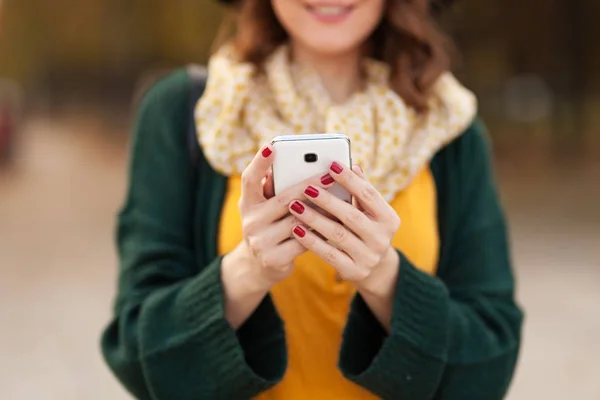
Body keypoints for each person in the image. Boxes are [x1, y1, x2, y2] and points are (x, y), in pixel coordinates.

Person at [101, 0, 523, 398]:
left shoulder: (446, 125)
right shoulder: (190, 113)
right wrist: (246, 271)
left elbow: (490, 361)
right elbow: (138, 354)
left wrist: (386, 279)